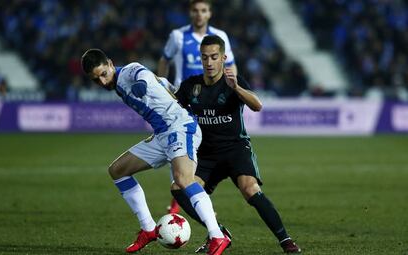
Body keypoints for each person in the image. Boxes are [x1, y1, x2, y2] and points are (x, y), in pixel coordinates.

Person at [81, 48, 231, 255]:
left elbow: (141, 73)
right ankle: (149, 229)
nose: (102, 82)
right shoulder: (116, 85)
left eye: (103, 74)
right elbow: (162, 82)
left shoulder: (128, 71)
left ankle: (217, 236)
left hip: (180, 127)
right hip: (162, 135)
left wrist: (142, 85)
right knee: (117, 170)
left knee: (183, 179)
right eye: (96, 80)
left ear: (110, 63)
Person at [173, 35, 302, 253]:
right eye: (205, 58)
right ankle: (218, 232)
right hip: (205, 154)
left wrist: (237, 89)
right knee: (180, 188)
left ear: (223, 58)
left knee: (250, 188)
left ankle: (285, 239)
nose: (209, 62)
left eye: (214, 57)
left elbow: (257, 105)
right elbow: (174, 110)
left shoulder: (234, 82)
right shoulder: (190, 86)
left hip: (235, 149)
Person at [158, 0, 237, 214]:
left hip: (210, 100)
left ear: (210, 13)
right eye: (195, 10)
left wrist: (233, 92)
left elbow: (230, 66)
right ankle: (178, 200)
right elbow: (164, 61)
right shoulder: (178, 36)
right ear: (190, 13)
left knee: (207, 148)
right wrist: (162, 88)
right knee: (176, 147)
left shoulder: (220, 37)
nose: (199, 14)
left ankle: (195, 194)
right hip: (184, 100)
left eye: (203, 10)